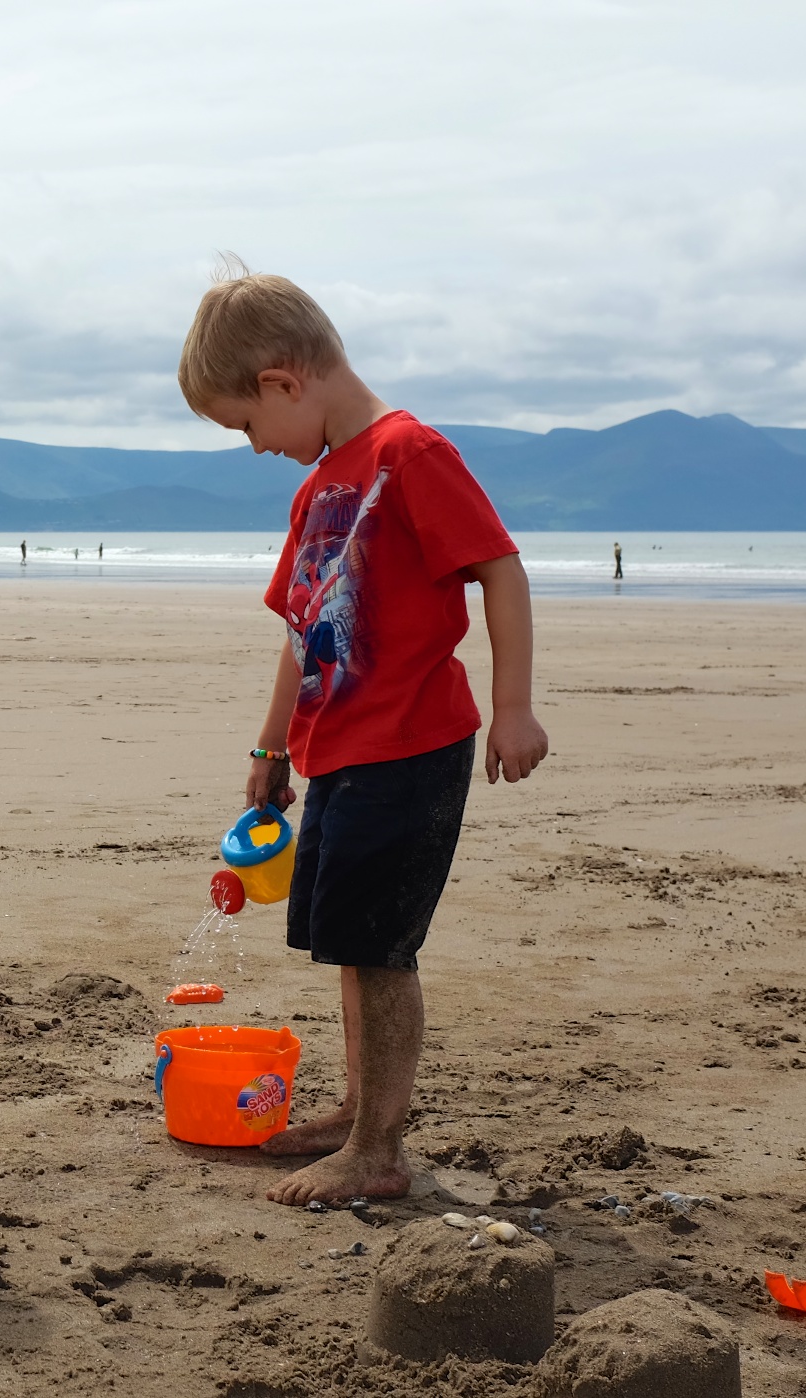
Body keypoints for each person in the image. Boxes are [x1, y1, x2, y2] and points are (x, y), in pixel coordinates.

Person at [177, 263, 549, 1207]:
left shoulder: (407, 454)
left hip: (414, 741)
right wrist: (269, 749)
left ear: (281, 382)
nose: (255, 448)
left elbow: (499, 571)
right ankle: (356, 1111)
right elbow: (301, 632)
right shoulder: (319, 488)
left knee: (383, 947)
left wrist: (513, 706)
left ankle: (379, 1150)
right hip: (337, 747)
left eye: (246, 427)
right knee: (349, 939)